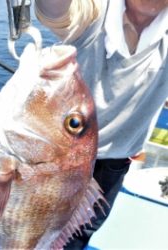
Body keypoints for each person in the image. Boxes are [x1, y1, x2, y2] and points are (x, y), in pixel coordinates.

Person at [34, 0, 168, 249]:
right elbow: (55, 10)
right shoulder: (94, 11)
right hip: (56, 159)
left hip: (114, 164)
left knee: (76, 236)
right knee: (28, 227)